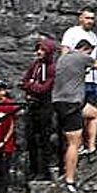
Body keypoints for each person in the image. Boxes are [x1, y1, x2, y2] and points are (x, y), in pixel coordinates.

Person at [52, 39, 97, 193]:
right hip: (71, 103)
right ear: (86, 49)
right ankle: (70, 180)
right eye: (90, 52)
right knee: (74, 143)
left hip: (60, 100)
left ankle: (91, 147)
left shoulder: (63, 58)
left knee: (94, 113)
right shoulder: (82, 57)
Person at [60, 8, 97, 156]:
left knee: (91, 111)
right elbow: (65, 54)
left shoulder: (94, 36)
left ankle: (90, 145)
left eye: (92, 18)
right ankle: (80, 145)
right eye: (87, 18)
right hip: (78, 80)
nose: (90, 21)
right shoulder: (72, 33)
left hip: (92, 78)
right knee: (79, 113)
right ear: (80, 18)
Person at [20, 37, 56, 181]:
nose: (39, 52)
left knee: (44, 139)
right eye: (38, 49)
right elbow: (24, 81)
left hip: (44, 106)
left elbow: (44, 88)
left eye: (42, 50)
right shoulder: (35, 65)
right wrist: (31, 85)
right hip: (32, 106)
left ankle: (44, 170)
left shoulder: (51, 68)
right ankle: (33, 169)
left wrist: (30, 85)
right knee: (31, 139)